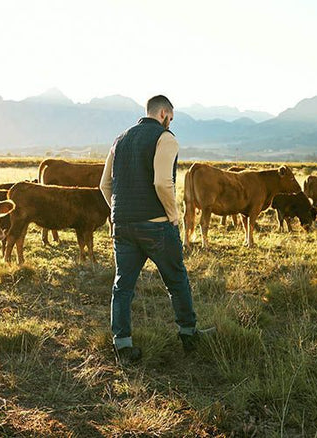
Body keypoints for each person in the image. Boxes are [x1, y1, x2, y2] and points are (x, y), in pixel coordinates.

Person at [99, 95, 215, 364]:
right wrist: (173, 216)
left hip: (123, 226)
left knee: (123, 286)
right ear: (163, 113)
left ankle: (123, 346)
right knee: (176, 281)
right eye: (170, 118)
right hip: (157, 226)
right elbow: (163, 183)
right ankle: (189, 335)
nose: (170, 123)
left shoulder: (119, 139)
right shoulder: (166, 138)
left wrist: (120, 211)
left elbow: (105, 185)